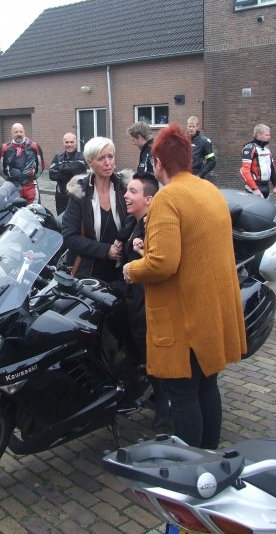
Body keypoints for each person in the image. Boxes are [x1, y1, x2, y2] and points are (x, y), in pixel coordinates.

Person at [123, 124, 247, 450]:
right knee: (207, 386)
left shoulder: (167, 197)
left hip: (185, 320)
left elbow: (162, 264)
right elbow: (192, 249)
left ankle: (192, 465)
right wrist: (149, 251)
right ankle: (209, 455)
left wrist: (131, 269)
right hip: (210, 313)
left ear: (158, 163)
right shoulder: (210, 190)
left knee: (182, 394)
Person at [119, 172, 169, 428]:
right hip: (134, 299)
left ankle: (164, 408)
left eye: (133, 191)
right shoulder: (134, 222)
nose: (126, 196)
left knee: (153, 355)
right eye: (127, 190)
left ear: (149, 199)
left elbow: (159, 264)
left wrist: (142, 252)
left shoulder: (152, 226)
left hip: (147, 303)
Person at [62, 137, 128, 282]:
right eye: (101, 158)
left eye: (110, 156)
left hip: (124, 272)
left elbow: (136, 223)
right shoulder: (80, 193)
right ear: (90, 162)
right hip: (90, 273)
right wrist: (106, 250)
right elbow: (70, 236)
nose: (108, 163)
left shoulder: (125, 188)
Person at [0, 123, 45, 204]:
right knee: (14, 210)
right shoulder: (4, 148)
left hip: (30, 186)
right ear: (12, 133)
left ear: (24, 132)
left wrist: (32, 177)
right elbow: (0, 168)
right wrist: (10, 179)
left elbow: (41, 165)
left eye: (21, 132)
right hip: (13, 186)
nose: (19, 134)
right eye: (16, 132)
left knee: (33, 210)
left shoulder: (35, 147)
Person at [48, 132, 87, 215]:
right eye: (67, 142)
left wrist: (60, 167)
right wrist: (71, 174)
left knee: (78, 221)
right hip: (61, 197)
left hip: (78, 196)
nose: (69, 145)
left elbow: (77, 168)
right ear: (63, 143)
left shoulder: (82, 156)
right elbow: (52, 175)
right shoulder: (57, 157)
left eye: (72, 142)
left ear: (76, 143)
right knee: (61, 220)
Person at [240, 123, 276, 199]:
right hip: (254, 187)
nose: (269, 137)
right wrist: (254, 188)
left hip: (266, 186)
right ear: (259, 135)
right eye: (266, 135)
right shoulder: (249, 148)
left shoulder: (267, 149)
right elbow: (244, 171)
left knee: (266, 206)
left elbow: (272, 168)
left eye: (269, 135)